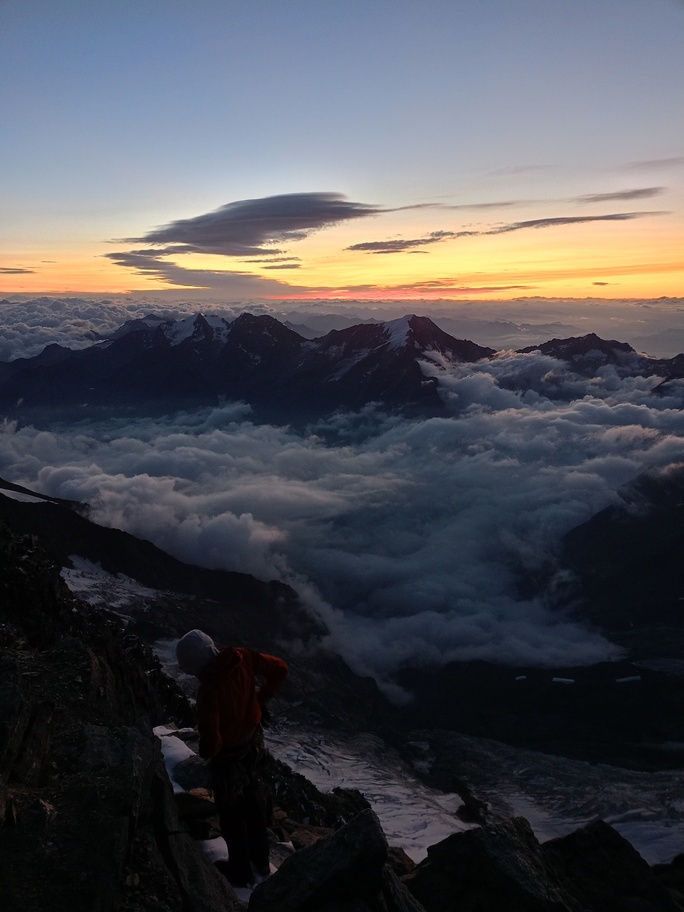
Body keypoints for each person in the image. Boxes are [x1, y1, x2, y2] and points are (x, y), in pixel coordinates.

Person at [175, 629, 288, 888]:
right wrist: (260, 700)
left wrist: (208, 751)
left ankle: (240, 872)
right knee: (253, 802)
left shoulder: (209, 691)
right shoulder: (242, 657)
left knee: (231, 815)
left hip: (229, 761)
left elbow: (211, 744)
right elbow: (279, 668)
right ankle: (261, 863)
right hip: (254, 746)